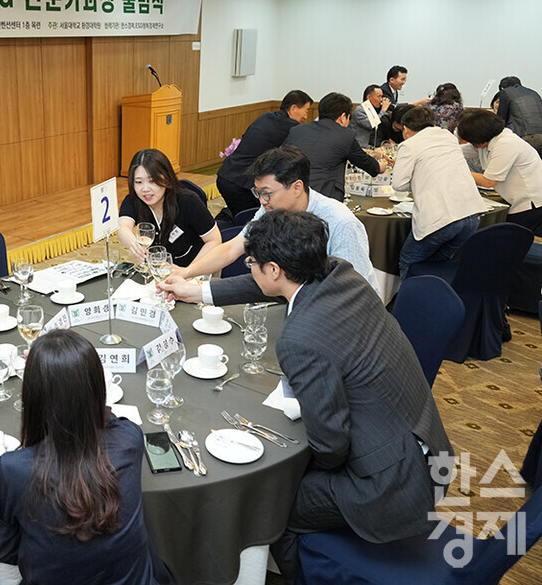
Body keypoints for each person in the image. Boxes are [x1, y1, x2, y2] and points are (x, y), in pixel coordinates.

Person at [209, 211, 451, 583]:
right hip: (425, 445)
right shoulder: (340, 272)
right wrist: (201, 291)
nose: (249, 267)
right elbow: (263, 286)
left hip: (386, 487)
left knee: (268, 505)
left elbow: (332, 443)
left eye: (252, 262)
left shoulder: (299, 339)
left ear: (274, 270)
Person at [0, 329, 173, 585]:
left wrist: (46, 370)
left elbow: (7, 551)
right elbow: (109, 419)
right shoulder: (129, 440)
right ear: (97, 388)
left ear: (33, 394)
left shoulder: (12, 469)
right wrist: (65, 371)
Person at [169, 146, 381, 297]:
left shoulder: (340, 223)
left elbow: (355, 289)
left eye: (267, 193)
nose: (261, 201)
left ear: (297, 187)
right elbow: (232, 249)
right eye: (258, 193)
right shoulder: (270, 208)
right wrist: (186, 272)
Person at [391, 107, 484, 277]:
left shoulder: (409, 145)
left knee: (409, 260)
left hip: (442, 218)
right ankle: (437, 300)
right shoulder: (447, 136)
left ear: (405, 129)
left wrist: (419, 182)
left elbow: (398, 184)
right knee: (437, 263)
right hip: (471, 213)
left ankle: (411, 302)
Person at [117, 148, 221, 268]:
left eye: (152, 181)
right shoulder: (133, 200)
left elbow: (214, 240)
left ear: (166, 179)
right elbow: (123, 227)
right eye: (139, 182)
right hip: (160, 271)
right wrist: (134, 244)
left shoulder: (188, 201)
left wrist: (188, 272)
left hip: (195, 269)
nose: (145, 189)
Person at [215, 89, 313, 216]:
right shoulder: (291, 127)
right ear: (294, 108)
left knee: (240, 216)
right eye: (306, 110)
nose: (305, 116)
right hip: (241, 185)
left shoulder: (265, 116)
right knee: (254, 222)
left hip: (225, 175)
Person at [282, 92, 384, 201]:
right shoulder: (345, 135)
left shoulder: (297, 130)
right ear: (343, 117)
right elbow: (370, 166)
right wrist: (382, 165)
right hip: (323, 198)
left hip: (290, 194)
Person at [458, 109, 542, 235]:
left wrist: (458, 172)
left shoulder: (506, 143)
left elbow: (488, 181)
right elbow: (459, 151)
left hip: (530, 204)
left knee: (516, 241)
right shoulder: (488, 141)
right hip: (513, 199)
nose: (472, 144)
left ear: (479, 136)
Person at [350, 84, 391, 149]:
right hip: (360, 146)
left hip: (372, 145)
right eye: (379, 96)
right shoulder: (360, 110)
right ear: (369, 97)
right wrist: (383, 111)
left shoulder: (373, 110)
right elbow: (372, 125)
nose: (381, 100)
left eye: (382, 96)